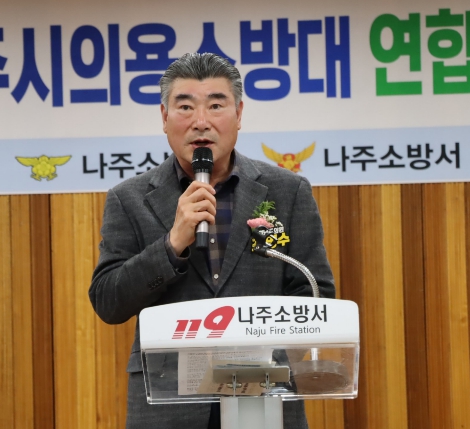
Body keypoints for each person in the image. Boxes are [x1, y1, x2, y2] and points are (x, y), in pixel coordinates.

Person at [89, 52, 335, 429]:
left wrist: (261, 352)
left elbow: (315, 293)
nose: (200, 121)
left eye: (216, 105)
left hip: (262, 398)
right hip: (168, 406)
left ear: (239, 114)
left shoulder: (287, 191)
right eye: (185, 106)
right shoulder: (130, 199)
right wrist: (172, 244)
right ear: (164, 117)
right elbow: (109, 301)